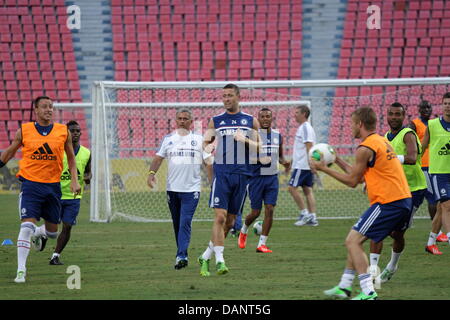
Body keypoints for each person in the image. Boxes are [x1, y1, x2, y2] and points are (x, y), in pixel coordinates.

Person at [312, 107, 412, 300]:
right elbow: (358, 173)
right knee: (355, 241)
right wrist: (337, 159)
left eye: (352, 123)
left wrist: (324, 168)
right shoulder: (380, 141)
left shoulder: (365, 148)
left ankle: (368, 292)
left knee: (352, 240)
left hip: (388, 202)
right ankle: (345, 285)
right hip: (400, 200)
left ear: (359, 124)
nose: (350, 128)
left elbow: (352, 181)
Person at [0, 96, 81, 283]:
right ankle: (21, 270)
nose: (49, 110)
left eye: (51, 107)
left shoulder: (63, 131)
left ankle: (39, 233)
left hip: (53, 187)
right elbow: (10, 151)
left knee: (52, 232)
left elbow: (71, 158)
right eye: (44, 107)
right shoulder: (25, 130)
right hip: (30, 185)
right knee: (26, 226)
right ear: (35, 110)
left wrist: (75, 182)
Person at [198, 83, 261, 276]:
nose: (226, 98)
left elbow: (260, 147)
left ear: (238, 97)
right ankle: (220, 261)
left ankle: (206, 256)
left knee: (230, 222)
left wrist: (245, 141)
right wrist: (208, 153)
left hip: (242, 176)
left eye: (230, 95)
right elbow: (205, 144)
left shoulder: (251, 121)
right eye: (224, 96)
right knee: (219, 217)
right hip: (222, 174)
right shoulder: (215, 121)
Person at [368, 102, 427, 283]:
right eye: (391, 114)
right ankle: (374, 274)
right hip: (396, 190)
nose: (394, 117)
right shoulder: (385, 137)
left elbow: (411, 157)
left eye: (397, 114)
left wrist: (390, 158)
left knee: (397, 233)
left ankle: (392, 266)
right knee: (389, 231)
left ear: (403, 116)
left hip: (414, 190)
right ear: (386, 116)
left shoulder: (407, 134)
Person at [147, 109, 213, 270]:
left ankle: (181, 255)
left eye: (185, 119)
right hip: (172, 190)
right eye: (180, 118)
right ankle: (181, 254)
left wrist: (214, 184)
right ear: (175, 121)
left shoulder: (199, 140)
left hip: (192, 190)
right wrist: (151, 174)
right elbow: (158, 158)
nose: (182, 121)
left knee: (185, 221)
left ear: (191, 122)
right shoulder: (168, 139)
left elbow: (208, 162)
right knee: (177, 223)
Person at [238, 108, 290, 253]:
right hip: (255, 179)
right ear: (258, 119)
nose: (265, 119)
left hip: (272, 178)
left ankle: (262, 244)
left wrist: (285, 162)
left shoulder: (277, 135)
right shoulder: (252, 136)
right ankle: (244, 229)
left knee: (270, 209)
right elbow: (245, 156)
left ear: (272, 118)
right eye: (263, 117)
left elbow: (279, 156)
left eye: (268, 116)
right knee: (255, 212)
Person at [49, 120, 91, 265]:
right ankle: (39, 234)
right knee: (52, 228)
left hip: (74, 196)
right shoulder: (58, 151)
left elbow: (88, 173)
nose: (76, 133)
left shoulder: (86, 152)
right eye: (72, 131)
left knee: (67, 226)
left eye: (78, 131)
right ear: (66, 133)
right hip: (56, 194)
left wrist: (87, 178)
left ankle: (55, 255)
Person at [410, 101, 448, 252]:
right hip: (428, 168)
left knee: (438, 205)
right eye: (423, 108)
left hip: (438, 167)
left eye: (428, 107)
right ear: (418, 109)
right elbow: (413, 142)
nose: (426, 110)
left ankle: (432, 240)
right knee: (437, 201)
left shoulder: (434, 123)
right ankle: (439, 234)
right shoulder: (415, 124)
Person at [421, 92, 450, 249]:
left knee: (440, 209)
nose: (448, 106)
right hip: (439, 173)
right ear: (442, 105)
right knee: (447, 206)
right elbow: (422, 146)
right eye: (445, 103)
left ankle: (431, 242)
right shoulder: (432, 125)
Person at [287, 105, 318, 226]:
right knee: (307, 190)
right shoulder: (304, 127)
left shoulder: (305, 128)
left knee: (291, 188)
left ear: (304, 114)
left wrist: (311, 163)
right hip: (303, 164)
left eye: (297, 112)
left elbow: (309, 146)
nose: (294, 115)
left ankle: (304, 214)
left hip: (302, 165)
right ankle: (312, 217)